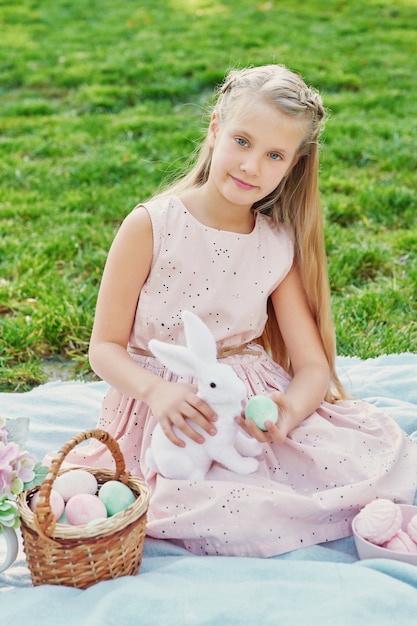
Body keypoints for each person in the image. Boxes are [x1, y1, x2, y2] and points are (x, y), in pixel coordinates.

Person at [62, 64, 417, 556]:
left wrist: (289, 411)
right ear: (214, 128)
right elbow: (103, 347)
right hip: (165, 407)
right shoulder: (151, 226)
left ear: (293, 165)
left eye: (274, 155)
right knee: (208, 501)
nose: (252, 166)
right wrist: (158, 392)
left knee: (365, 455)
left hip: (247, 401)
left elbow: (312, 366)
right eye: (242, 141)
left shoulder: (276, 244)